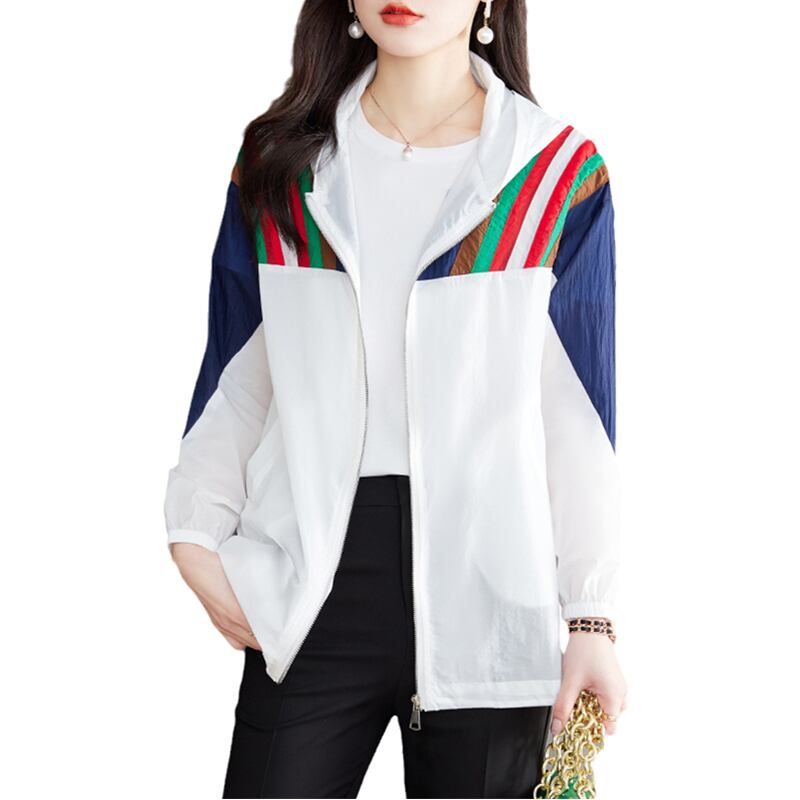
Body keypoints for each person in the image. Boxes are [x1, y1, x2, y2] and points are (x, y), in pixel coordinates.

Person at [164, 1, 627, 796]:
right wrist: (192, 536)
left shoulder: (554, 173)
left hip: (490, 593)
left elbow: (576, 416)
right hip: (311, 580)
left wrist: (591, 616)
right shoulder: (281, 165)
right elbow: (238, 374)